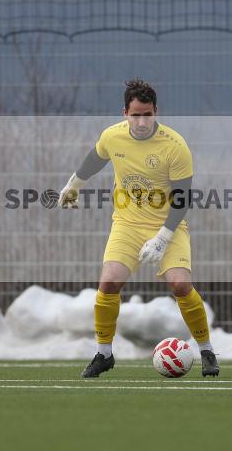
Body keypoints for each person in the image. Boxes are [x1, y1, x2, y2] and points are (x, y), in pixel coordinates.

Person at [57, 79, 219, 378]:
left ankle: (207, 351)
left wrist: (162, 238)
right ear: (125, 113)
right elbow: (95, 159)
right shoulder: (112, 137)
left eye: (147, 114)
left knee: (180, 286)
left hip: (169, 227)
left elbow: (183, 200)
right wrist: (73, 185)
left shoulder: (175, 146)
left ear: (156, 111)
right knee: (108, 284)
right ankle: (104, 354)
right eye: (135, 114)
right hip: (127, 226)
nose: (141, 121)